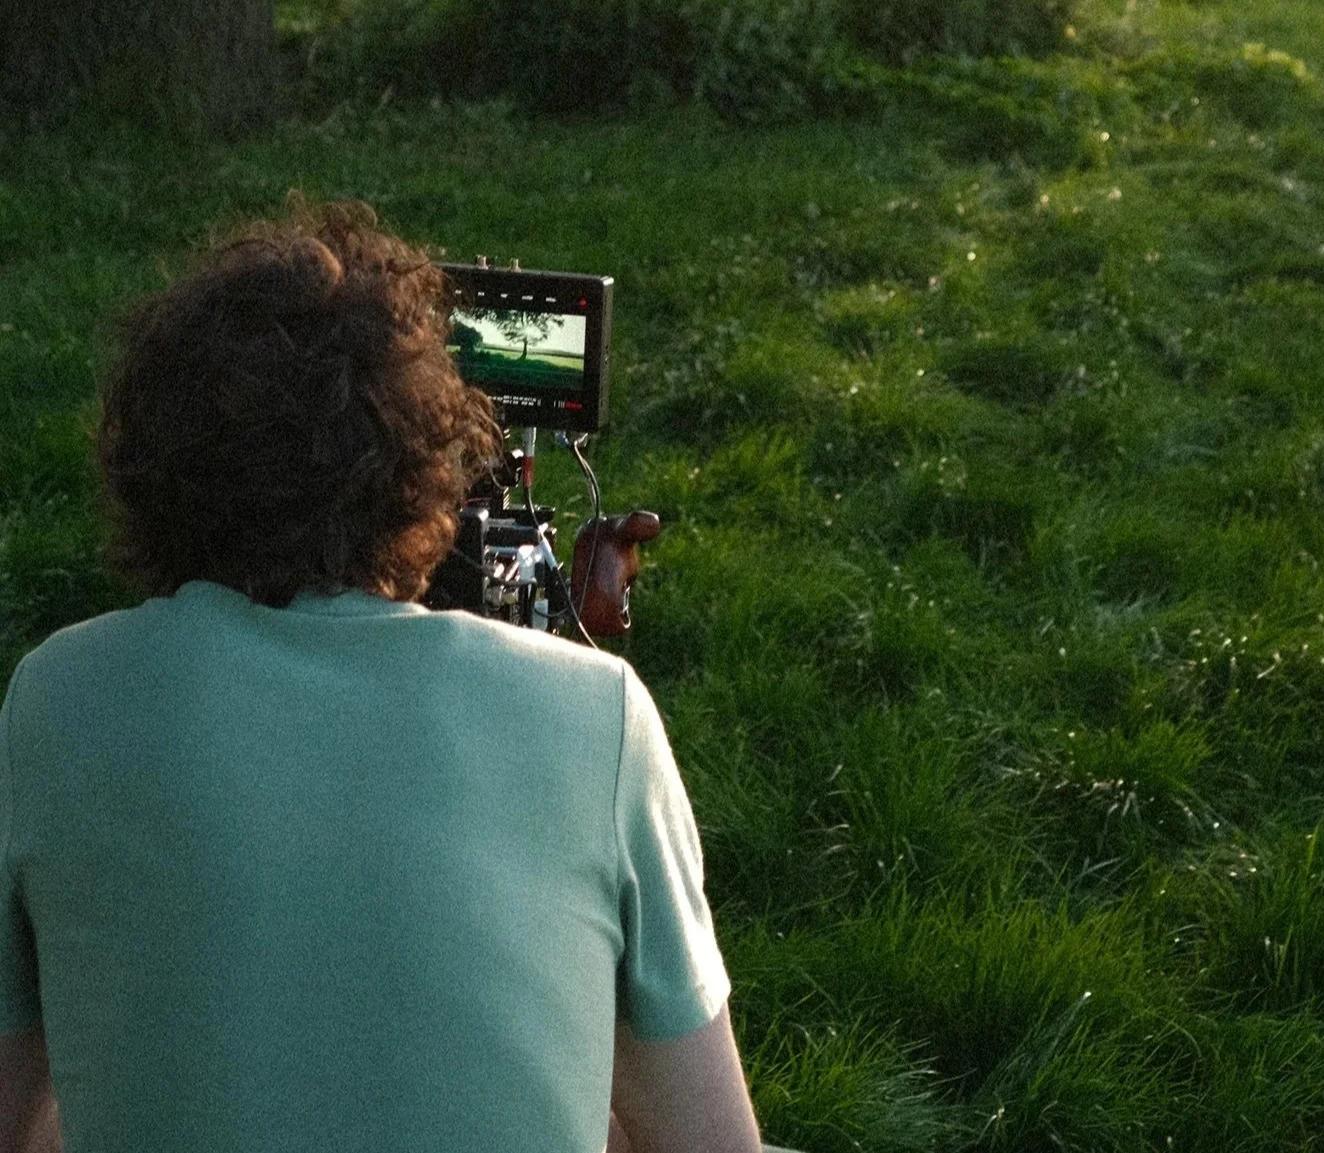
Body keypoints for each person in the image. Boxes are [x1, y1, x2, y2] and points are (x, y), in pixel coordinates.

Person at [0, 204, 764, 1153]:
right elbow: (711, 1142)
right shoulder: (597, 715)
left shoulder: (58, 697)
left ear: (150, 468)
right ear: (423, 471)